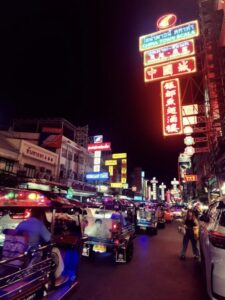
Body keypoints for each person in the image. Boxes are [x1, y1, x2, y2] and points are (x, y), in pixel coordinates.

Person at [16, 208, 68, 286]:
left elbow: (15, 234)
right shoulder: (39, 224)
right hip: (34, 251)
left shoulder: (22, 223)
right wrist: (60, 237)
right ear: (41, 215)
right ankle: (58, 278)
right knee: (55, 250)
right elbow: (49, 239)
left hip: (19, 249)